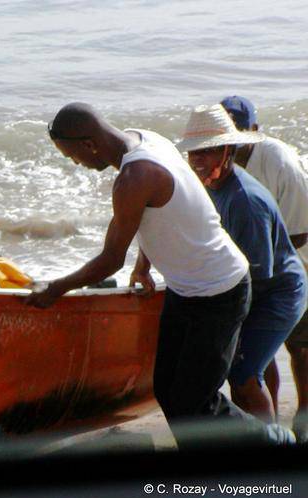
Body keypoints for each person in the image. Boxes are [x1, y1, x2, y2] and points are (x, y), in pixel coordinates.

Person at [26, 102, 295, 447]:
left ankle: (277, 442)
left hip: (220, 292)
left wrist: (56, 289)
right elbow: (162, 212)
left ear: (88, 144)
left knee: (196, 402)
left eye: (71, 156)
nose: (75, 163)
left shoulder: (133, 178)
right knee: (168, 392)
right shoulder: (145, 139)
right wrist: (144, 262)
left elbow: (110, 260)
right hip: (186, 290)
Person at [179, 104, 307, 424]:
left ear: (227, 151)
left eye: (206, 152)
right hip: (255, 283)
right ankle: (263, 433)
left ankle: (271, 445)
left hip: (278, 291)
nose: (196, 161)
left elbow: (259, 277)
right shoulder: (213, 184)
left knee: (245, 372)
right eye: (192, 153)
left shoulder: (246, 200)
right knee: (245, 369)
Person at [222, 96, 308, 440]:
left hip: (298, 261)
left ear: (254, 130)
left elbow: (302, 228)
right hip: (253, 265)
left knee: (301, 347)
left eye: (238, 130)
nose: (230, 139)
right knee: (261, 349)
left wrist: (262, 267)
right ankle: (267, 424)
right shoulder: (220, 164)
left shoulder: (278, 161)